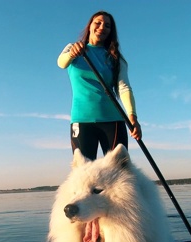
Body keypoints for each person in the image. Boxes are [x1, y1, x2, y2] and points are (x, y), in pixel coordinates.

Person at [57, 10, 141, 160]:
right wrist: (72, 53)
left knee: (120, 174)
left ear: (110, 32)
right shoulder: (73, 48)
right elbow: (61, 63)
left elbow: (124, 88)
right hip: (81, 120)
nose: (102, 27)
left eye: (107, 25)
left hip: (113, 120)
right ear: (90, 26)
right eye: (98, 23)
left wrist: (132, 117)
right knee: (84, 174)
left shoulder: (115, 58)